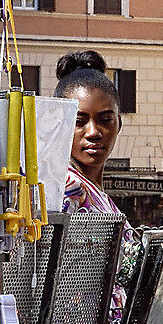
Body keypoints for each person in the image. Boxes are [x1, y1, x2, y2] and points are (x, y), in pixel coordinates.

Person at [57, 50, 127, 219]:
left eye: (105, 120)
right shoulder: (69, 187)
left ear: (118, 124)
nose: (93, 132)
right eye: (79, 121)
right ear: (60, 125)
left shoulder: (97, 194)